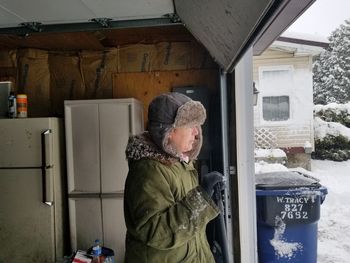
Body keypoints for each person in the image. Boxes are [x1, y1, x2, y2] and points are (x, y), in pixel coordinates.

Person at [124, 92, 224, 263]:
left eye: (197, 126)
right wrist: (201, 199)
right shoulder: (148, 170)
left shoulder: (180, 164)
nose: (196, 133)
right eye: (190, 126)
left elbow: (188, 227)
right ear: (168, 132)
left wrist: (208, 196)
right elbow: (156, 232)